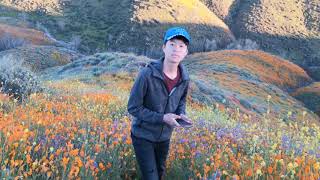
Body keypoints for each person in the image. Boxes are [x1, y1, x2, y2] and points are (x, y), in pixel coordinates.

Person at [127, 27, 192, 180]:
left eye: (181, 46)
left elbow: (181, 101)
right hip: (143, 136)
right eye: (172, 44)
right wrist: (163, 118)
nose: (176, 49)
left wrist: (182, 114)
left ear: (186, 52)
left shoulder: (184, 78)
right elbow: (133, 107)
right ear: (164, 47)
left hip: (164, 137)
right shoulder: (147, 74)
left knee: (160, 173)